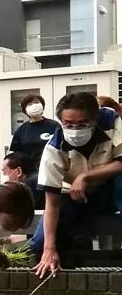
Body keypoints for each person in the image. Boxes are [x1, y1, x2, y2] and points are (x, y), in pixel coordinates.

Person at [32, 92, 122, 277]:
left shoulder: (111, 122)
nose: (75, 129)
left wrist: (85, 176)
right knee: (42, 243)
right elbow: (52, 202)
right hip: (73, 198)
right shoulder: (54, 149)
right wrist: (49, 248)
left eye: (82, 124)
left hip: (109, 191)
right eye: (69, 124)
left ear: (94, 119)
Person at [8, 93, 58, 176]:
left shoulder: (54, 126)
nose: (34, 106)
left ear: (42, 106)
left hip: (51, 171)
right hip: (30, 173)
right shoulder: (21, 130)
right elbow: (16, 155)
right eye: (30, 104)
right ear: (25, 110)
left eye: (37, 102)